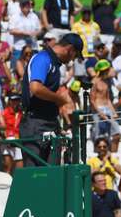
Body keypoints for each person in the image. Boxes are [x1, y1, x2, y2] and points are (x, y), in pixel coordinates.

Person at [20, 33, 84, 166]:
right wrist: (59, 99)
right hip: (35, 123)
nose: (73, 60)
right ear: (70, 49)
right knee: (35, 174)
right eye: (75, 55)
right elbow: (36, 88)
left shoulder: (55, 64)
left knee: (51, 174)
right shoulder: (43, 58)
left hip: (48, 122)